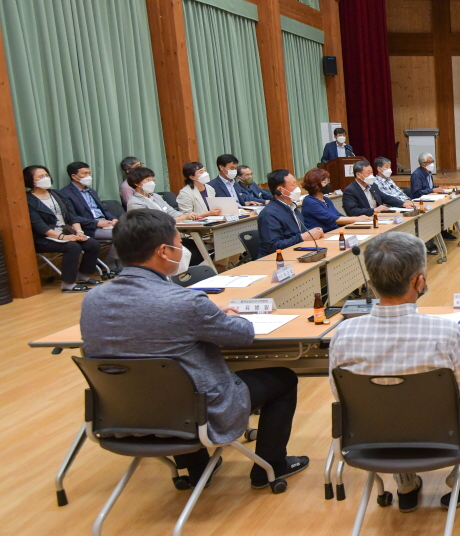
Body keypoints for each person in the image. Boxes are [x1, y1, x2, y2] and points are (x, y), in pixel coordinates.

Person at [81, 209, 309, 488]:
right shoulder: (186, 302)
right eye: (179, 244)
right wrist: (224, 316)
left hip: (123, 414)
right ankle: (270, 467)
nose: (182, 251)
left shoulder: (93, 299)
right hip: (195, 412)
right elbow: (242, 335)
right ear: (164, 251)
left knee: (163, 382)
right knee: (283, 378)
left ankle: (198, 468)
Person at [328, 231, 460, 511]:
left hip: (375, 435)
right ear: (418, 281)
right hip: (441, 432)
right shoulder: (445, 333)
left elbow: (341, 395)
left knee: (390, 404)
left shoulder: (343, 334)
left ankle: (405, 481)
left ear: (372, 280)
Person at [25, 165, 103, 293]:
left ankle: (82, 274)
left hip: (66, 231)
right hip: (45, 238)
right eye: (41, 176)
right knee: (73, 247)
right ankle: (67, 284)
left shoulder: (58, 194)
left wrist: (79, 232)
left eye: (47, 175)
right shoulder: (29, 200)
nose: (46, 178)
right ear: (30, 180)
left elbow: (72, 216)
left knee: (92, 244)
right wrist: (62, 237)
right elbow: (39, 225)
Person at [257, 169, 324, 257]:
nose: (297, 187)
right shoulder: (269, 214)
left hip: (296, 252)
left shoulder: (292, 207)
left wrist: (313, 233)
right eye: (293, 185)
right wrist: (302, 237)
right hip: (276, 259)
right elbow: (273, 246)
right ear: (280, 190)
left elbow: (300, 232)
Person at [60, 161, 118, 246]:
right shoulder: (65, 193)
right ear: (74, 176)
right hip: (90, 228)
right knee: (123, 236)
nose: (88, 176)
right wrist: (96, 223)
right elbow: (72, 217)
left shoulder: (91, 191)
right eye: (84, 173)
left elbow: (103, 209)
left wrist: (113, 218)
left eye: (89, 173)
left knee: (133, 232)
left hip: (106, 224)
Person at [301, 168, 363, 232]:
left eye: (328, 181)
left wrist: (358, 220)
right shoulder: (309, 201)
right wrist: (356, 219)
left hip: (333, 232)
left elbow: (337, 215)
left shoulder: (326, 199)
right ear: (315, 185)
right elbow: (330, 218)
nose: (328, 184)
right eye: (325, 182)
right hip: (322, 235)